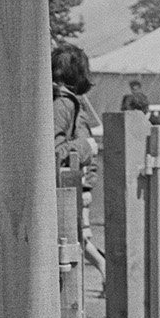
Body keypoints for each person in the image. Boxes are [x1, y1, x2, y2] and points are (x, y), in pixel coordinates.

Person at [51, 43, 106, 288]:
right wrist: (86, 147)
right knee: (77, 239)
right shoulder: (63, 104)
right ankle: (106, 272)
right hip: (67, 186)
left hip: (74, 184)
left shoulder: (65, 102)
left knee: (79, 239)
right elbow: (54, 151)